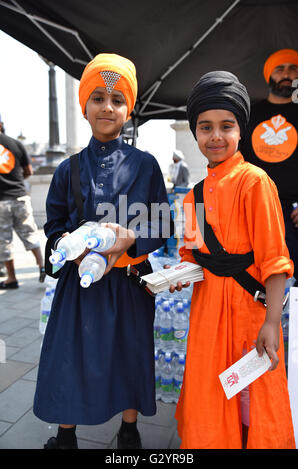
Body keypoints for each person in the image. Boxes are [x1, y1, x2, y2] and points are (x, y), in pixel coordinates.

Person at [33, 53, 173, 450]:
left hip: (130, 283)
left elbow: (162, 224)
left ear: (129, 109)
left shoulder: (146, 166)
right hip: (82, 285)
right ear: (85, 106)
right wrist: (65, 246)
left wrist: (131, 239)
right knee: (70, 358)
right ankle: (66, 436)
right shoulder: (68, 169)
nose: (107, 107)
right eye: (98, 97)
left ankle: (129, 431)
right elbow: (54, 225)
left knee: (130, 355)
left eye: (117, 99)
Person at [169, 71, 295, 448]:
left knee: (251, 408)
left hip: (249, 315)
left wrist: (272, 322)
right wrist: (177, 274)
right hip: (207, 316)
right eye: (205, 127)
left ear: (241, 130)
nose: (216, 136)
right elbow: (195, 258)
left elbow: (275, 261)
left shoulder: (255, 181)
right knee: (210, 400)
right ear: (196, 134)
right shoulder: (193, 196)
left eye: (226, 126)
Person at [240, 49, 298, 287]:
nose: (286, 73)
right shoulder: (250, 114)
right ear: (269, 76)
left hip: (294, 215)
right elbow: (235, 162)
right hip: (255, 209)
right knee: (254, 280)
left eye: (292, 68)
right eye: (280, 68)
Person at [0, 117, 45, 289]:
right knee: (30, 233)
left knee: (4, 241)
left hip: (1, 200)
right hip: (20, 196)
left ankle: (11, 278)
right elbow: (29, 171)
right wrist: (16, 181)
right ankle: (42, 266)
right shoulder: (16, 144)